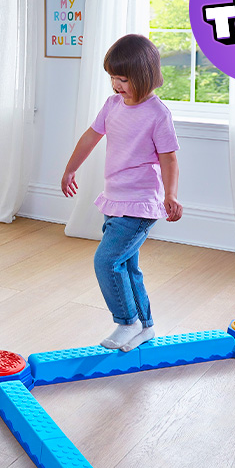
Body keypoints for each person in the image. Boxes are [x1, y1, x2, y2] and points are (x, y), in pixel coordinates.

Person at [61, 34, 182, 352]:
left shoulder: (157, 114)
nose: (116, 85)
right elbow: (90, 137)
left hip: (140, 204)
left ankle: (128, 322)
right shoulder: (112, 105)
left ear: (144, 76)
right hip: (114, 199)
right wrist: (70, 169)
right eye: (113, 78)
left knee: (107, 261)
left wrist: (170, 195)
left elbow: (169, 158)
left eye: (123, 79)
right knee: (127, 265)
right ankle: (145, 326)